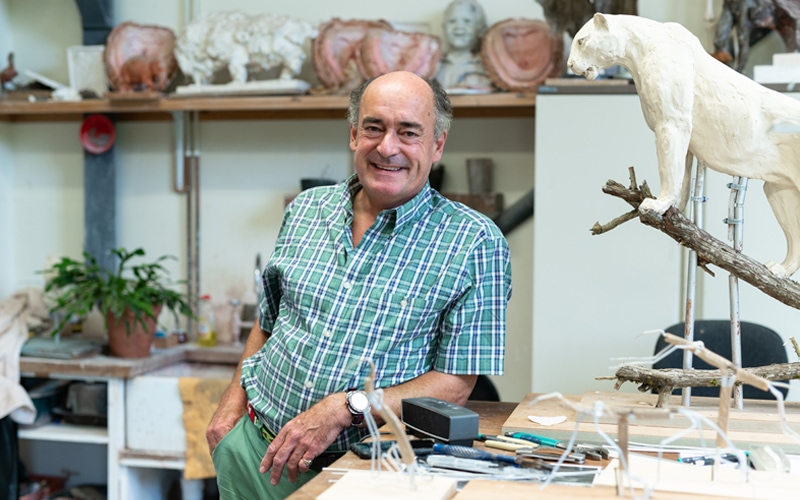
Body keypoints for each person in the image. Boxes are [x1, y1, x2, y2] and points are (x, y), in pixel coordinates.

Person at [206, 70, 512, 499]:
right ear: (354, 134)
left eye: (409, 132)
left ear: (437, 145)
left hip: (362, 473)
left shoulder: (474, 242)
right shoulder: (307, 210)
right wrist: (230, 405)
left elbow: (454, 383)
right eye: (374, 128)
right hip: (253, 451)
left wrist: (348, 407)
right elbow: (268, 322)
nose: (388, 147)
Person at [435, 0, 493, 92]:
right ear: (444, 27)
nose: (459, 26)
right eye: (452, 21)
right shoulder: (434, 66)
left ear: (480, 28)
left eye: (467, 21)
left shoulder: (488, 66)